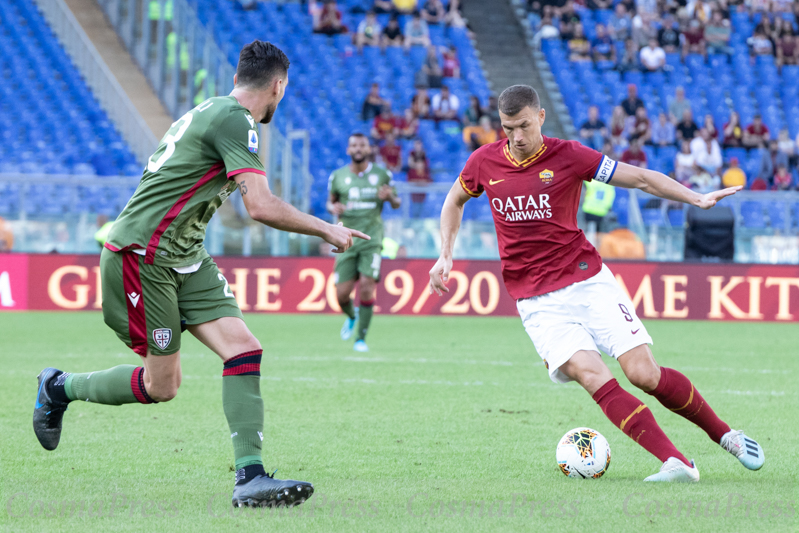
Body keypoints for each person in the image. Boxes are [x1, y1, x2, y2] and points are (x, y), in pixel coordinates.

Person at [32, 40, 370, 508]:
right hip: (143, 256)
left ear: (236, 78)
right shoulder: (237, 120)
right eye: (283, 90)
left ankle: (250, 478)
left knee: (244, 349)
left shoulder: (213, 110)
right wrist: (326, 229)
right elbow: (260, 206)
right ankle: (58, 386)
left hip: (185, 255)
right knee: (161, 385)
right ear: (279, 86)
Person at [429, 84, 762, 483]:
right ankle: (676, 463)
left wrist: (696, 198)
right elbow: (454, 200)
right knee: (591, 375)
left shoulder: (569, 156)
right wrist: (445, 253)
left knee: (643, 374)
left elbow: (638, 178)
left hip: (587, 281)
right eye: (506, 128)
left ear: (540, 117)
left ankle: (725, 435)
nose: (515, 137)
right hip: (536, 301)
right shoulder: (484, 161)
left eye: (521, 126)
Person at [328, 134, 400, 352]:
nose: (358, 149)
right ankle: (351, 315)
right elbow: (331, 203)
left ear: (369, 149)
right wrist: (333, 209)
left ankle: (360, 339)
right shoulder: (337, 176)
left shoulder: (382, 174)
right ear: (348, 150)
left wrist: (390, 198)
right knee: (341, 294)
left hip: (372, 239)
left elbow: (396, 203)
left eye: (362, 145)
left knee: (368, 288)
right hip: (346, 240)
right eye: (353, 145)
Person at [407, 139, 432, 217]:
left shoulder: (426, 172)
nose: (420, 164)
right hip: (413, 197)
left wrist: (420, 183)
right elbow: (409, 182)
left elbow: (429, 182)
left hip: (423, 197)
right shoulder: (412, 172)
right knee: (414, 213)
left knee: (422, 213)